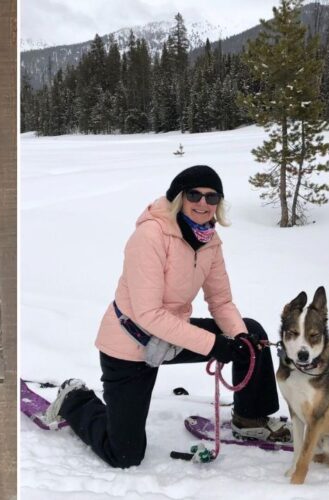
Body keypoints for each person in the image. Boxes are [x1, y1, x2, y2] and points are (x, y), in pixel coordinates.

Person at [44, 165, 290, 469]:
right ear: (179, 197)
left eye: (211, 197)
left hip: (171, 337)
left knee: (250, 334)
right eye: (194, 195)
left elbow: (221, 301)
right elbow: (148, 313)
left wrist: (239, 340)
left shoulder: (209, 241)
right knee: (125, 455)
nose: (202, 203)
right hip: (130, 344)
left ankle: (250, 418)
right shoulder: (150, 235)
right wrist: (214, 345)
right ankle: (75, 399)